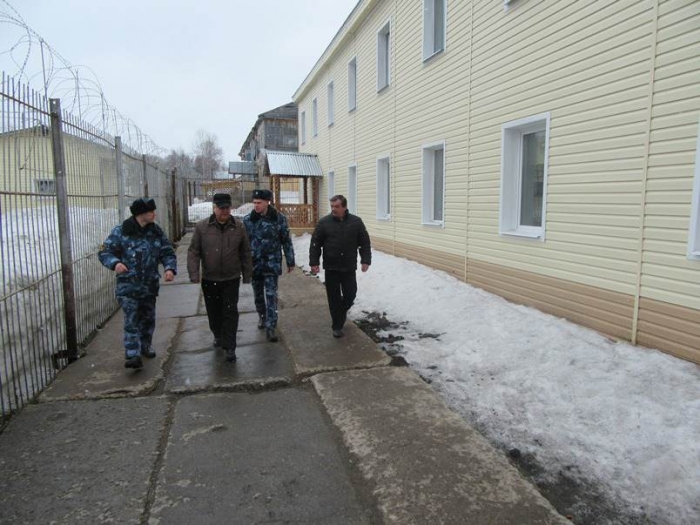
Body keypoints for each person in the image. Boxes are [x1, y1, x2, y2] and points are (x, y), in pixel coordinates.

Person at [99, 197, 177, 369]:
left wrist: (169, 268)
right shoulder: (121, 232)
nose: (154, 214)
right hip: (128, 286)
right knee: (131, 320)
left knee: (148, 319)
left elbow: (167, 252)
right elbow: (105, 252)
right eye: (151, 211)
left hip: (149, 285)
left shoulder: (155, 232)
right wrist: (115, 263)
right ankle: (132, 354)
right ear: (142, 214)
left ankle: (145, 345)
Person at [187, 193, 252, 362]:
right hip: (210, 278)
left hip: (231, 278)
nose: (225, 211)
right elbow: (194, 251)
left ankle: (230, 346)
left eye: (227, 208)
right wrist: (194, 273)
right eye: (221, 208)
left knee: (230, 311)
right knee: (214, 312)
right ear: (214, 208)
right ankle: (217, 334)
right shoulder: (202, 227)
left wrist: (247, 274)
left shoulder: (239, 227)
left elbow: (245, 252)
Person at [309, 195, 371, 338]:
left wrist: (365, 260)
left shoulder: (356, 222)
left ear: (344, 207)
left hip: (348, 267)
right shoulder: (324, 223)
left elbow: (364, 243)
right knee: (334, 298)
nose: (333, 209)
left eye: (336, 206)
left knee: (350, 294)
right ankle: (337, 326)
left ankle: (340, 313)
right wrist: (314, 263)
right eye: (332, 206)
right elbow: (315, 244)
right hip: (331, 267)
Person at [243, 188, 295, 342]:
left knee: (271, 296)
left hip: (271, 264)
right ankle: (262, 316)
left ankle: (271, 326)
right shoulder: (248, 220)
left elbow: (286, 240)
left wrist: (290, 261)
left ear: (267, 202)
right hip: (255, 264)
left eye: (259, 203)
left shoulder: (279, 219)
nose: (256, 206)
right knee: (258, 294)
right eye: (254, 203)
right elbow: (243, 244)